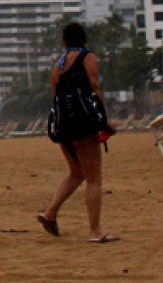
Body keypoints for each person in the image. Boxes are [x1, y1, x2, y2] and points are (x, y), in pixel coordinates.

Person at [38, 21, 119, 244]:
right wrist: (103, 121)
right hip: (83, 125)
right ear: (85, 39)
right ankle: (95, 231)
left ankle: (50, 214)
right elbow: (96, 87)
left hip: (63, 126)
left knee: (76, 172)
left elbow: (55, 96)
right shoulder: (88, 58)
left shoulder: (59, 65)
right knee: (93, 179)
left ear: (64, 42)